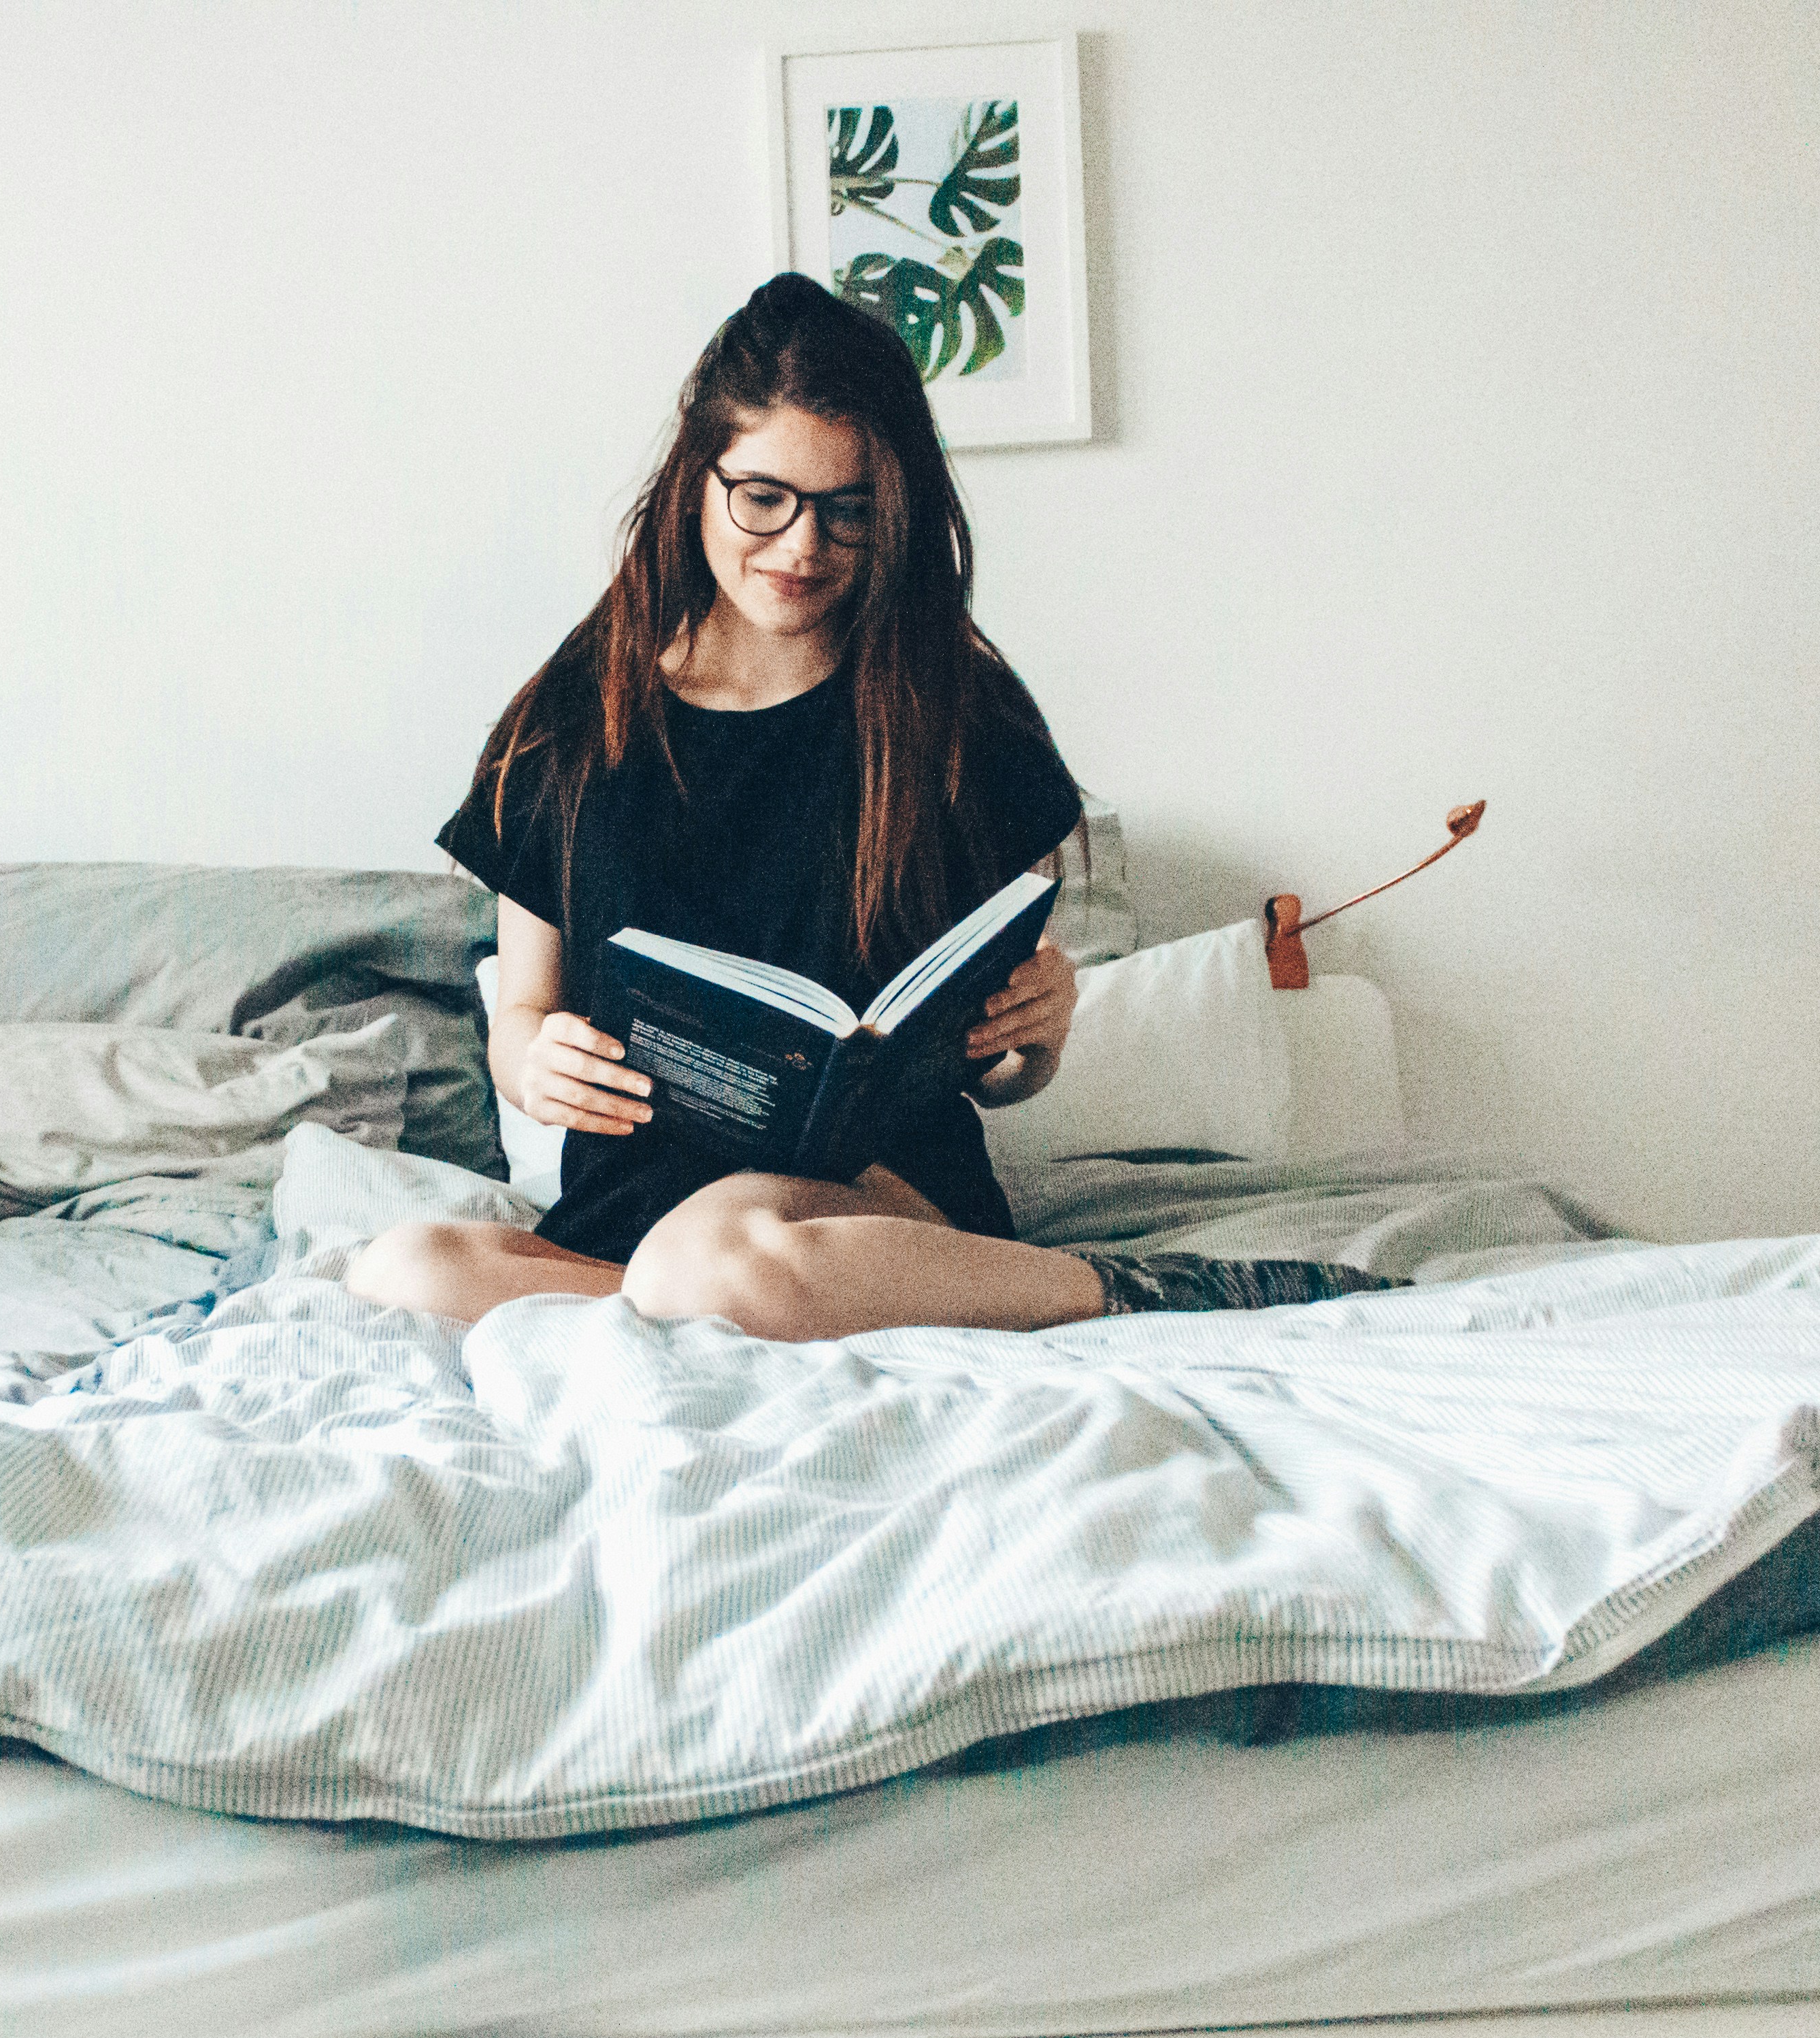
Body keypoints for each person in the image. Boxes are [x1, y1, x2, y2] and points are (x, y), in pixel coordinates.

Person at [350, 275, 1393, 1341]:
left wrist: (1038, 1035)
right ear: (693, 478)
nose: (803, 548)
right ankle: (685, 1304)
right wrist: (537, 1065)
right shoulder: (582, 718)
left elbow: (1003, 1072)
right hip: (636, 1214)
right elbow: (521, 1018)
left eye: (849, 511)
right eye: (764, 498)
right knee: (404, 1266)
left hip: (884, 1201)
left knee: (709, 1257)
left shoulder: (957, 714)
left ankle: (1118, 1292)